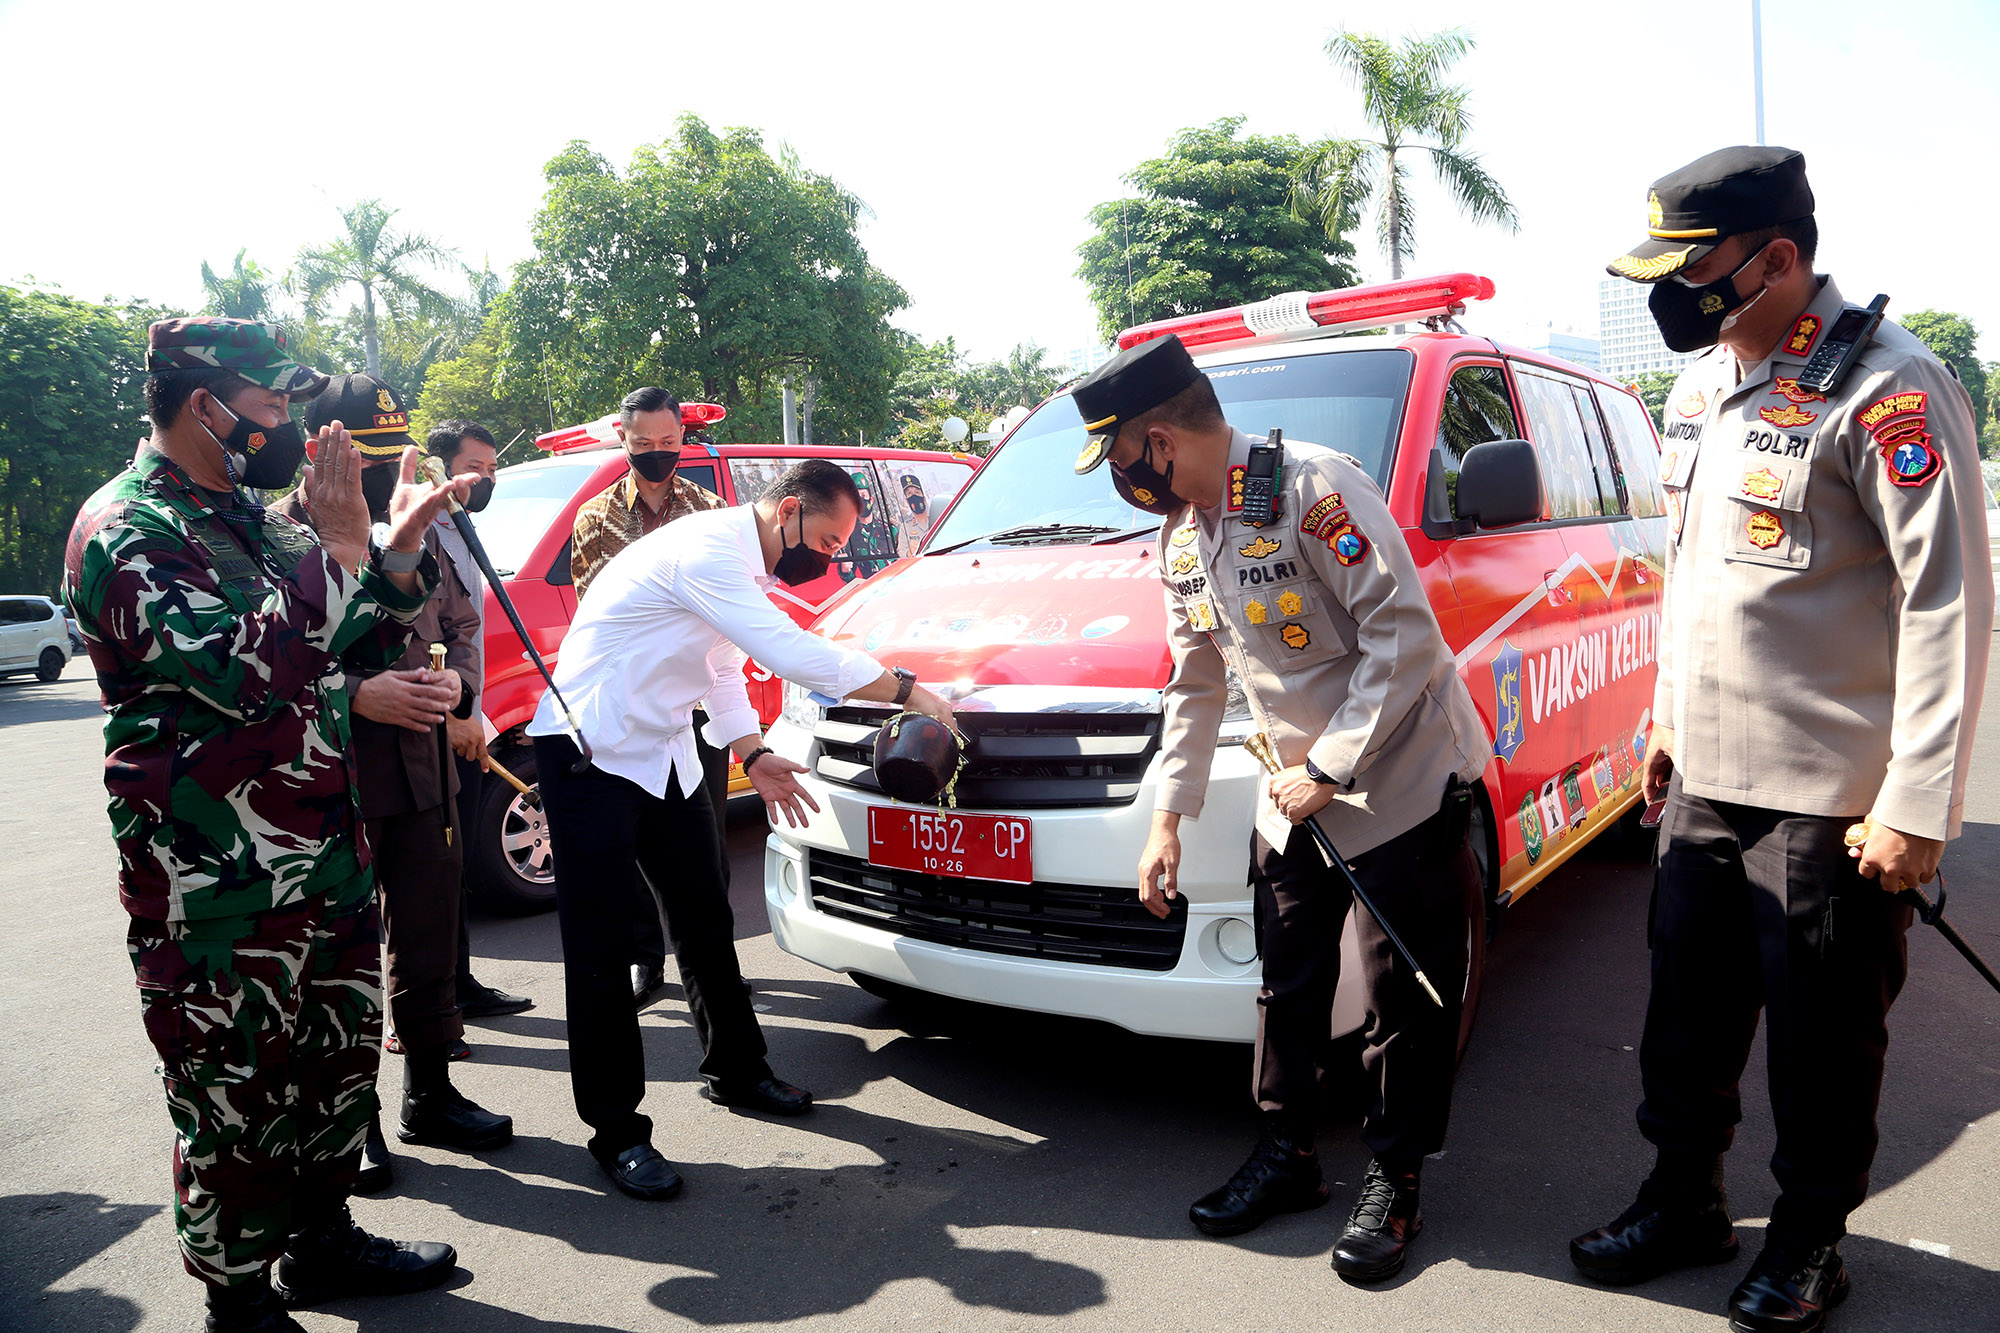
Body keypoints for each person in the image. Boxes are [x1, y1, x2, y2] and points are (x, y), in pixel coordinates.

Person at [1574, 146, 1992, 1333]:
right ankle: (1682, 1199)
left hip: (1829, 798)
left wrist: (1915, 802)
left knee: (1818, 1045)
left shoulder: (1890, 388)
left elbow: (1949, 601)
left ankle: (1810, 1239)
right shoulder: (1705, 383)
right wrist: (1662, 717)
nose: (1673, 297)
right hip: (1706, 776)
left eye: (1689, 271)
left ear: (1778, 258)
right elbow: (1690, 576)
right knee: (1683, 1022)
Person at [62, 318, 470, 1332]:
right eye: (272, 402)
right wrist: (341, 550)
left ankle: (322, 1239)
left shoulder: (251, 517)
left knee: (334, 1062)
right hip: (218, 879)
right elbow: (243, 670)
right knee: (232, 1098)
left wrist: (402, 553)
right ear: (204, 403)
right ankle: (238, 1302)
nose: (289, 421)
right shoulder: (126, 527)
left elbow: (354, 629)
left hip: (324, 853)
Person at [1073, 335, 1490, 1282]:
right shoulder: (1185, 534)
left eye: (1124, 456)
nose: (1126, 478)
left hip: (1397, 783)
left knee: (1401, 999)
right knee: (1288, 984)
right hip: (1290, 796)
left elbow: (1404, 635)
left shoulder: (1312, 488)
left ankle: (1396, 1177)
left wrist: (1336, 767)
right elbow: (1195, 682)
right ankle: (1289, 1152)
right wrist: (1166, 821)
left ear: (1161, 439)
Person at [527, 459, 957, 1201]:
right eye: (826, 540)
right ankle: (617, 1132)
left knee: (703, 916)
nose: (827, 557)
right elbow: (790, 654)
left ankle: (737, 1069)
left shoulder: (738, 563)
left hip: (664, 747)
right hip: (588, 748)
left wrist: (751, 751)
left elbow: (721, 665)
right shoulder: (710, 549)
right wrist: (914, 691)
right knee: (599, 951)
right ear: (788, 510)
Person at [278, 376, 514, 1182]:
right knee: (341, 953)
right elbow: (271, 669)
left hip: (427, 764)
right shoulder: (279, 536)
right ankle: (358, 1122)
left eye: (391, 454)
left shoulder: (428, 525)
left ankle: (431, 1092)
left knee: (427, 930)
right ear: (322, 453)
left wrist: (462, 692)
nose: (383, 476)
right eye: (366, 458)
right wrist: (357, 693)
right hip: (335, 774)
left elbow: (462, 623)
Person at [568, 385, 731, 1008]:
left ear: (683, 439)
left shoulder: (708, 512)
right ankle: (646, 956)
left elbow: (722, 615)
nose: (657, 454)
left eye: (668, 443)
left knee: (704, 841)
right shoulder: (595, 518)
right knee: (632, 841)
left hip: (694, 698)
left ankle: (715, 957)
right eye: (644, 445)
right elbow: (595, 619)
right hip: (626, 706)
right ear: (622, 438)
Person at [422, 420, 534, 1023]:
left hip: (466, 712)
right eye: (475, 468)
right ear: (438, 468)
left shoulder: (462, 527)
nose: (485, 480)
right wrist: (462, 713)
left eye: (492, 470)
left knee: (456, 862)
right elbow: (430, 637)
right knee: (434, 869)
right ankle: (430, 1005)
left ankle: (457, 984)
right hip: (439, 722)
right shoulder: (416, 532)